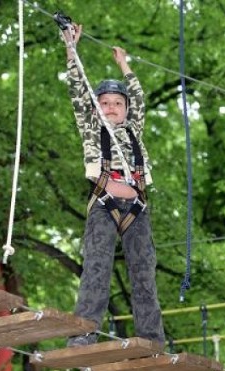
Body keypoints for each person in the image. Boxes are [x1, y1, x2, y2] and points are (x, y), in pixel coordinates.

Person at [61, 23, 165, 347]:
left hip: (137, 208)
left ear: (126, 109)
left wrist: (125, 65)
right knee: (96, 267)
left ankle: (152, 339)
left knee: (144, 273)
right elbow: (78, 90)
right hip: (104, 204)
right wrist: (70, 48)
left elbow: (139, 97)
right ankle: (84, 333)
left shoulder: (135, 129)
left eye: (116, 104)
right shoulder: (92, 127)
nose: (110, 108)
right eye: (104, 103)